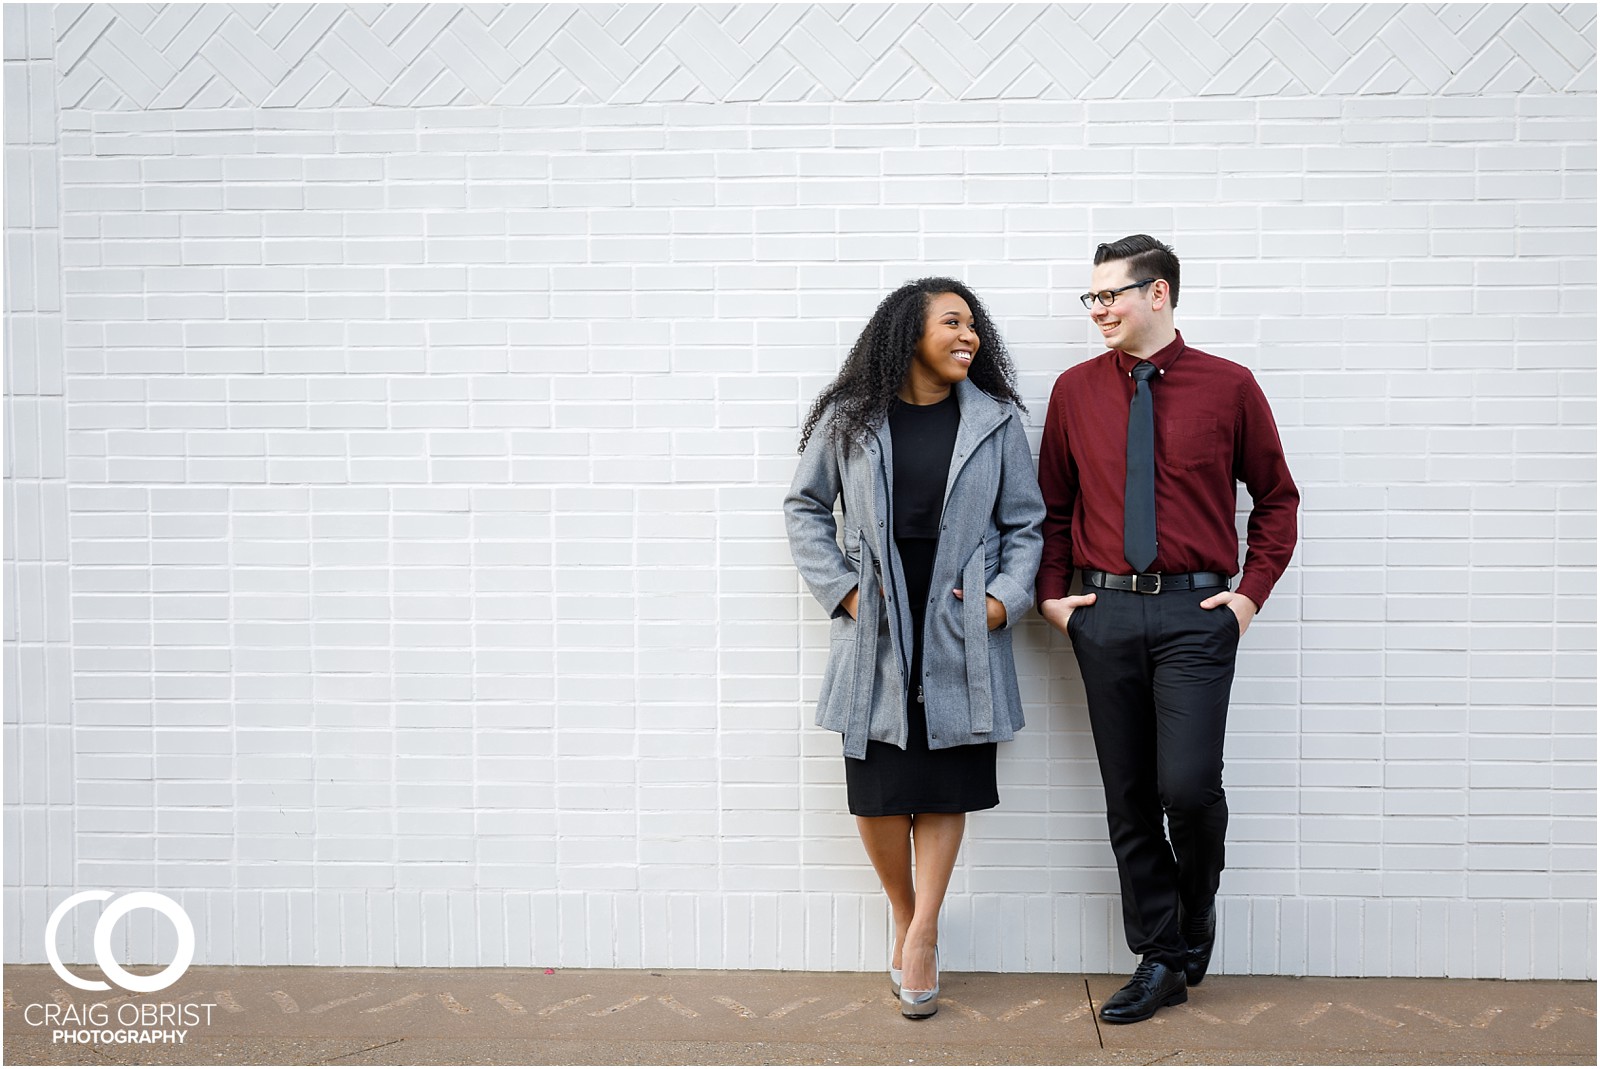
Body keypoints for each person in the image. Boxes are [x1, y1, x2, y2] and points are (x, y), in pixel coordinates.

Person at [1036, 236, 1299, 1024]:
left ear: (1160, 294)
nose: (1100, 310)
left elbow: (1277, 499)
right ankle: (1161, 956)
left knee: (1185, 788)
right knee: (1128, 798)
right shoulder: (1073, 391)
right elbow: (1051, 507)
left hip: (1196, 614)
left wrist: (1248, 597)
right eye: (1092, 298)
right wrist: (1055, 597)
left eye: (1111, 294)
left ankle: (1195, 905)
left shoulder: (1230, 386)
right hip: (1104, 613)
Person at [785, 278, 1045, 1020]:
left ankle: (923, 933)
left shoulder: (995, 421)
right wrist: (845, 592)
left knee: (945, 779)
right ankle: (905, 914)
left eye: (974, 327)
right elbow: (804, 506)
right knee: (877, 786)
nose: (970, 337)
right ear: (908, 333)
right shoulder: (850, 418)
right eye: (952, 323)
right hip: (876, 619)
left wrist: (1001, 602)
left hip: (961, 619)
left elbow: (1027, 524)